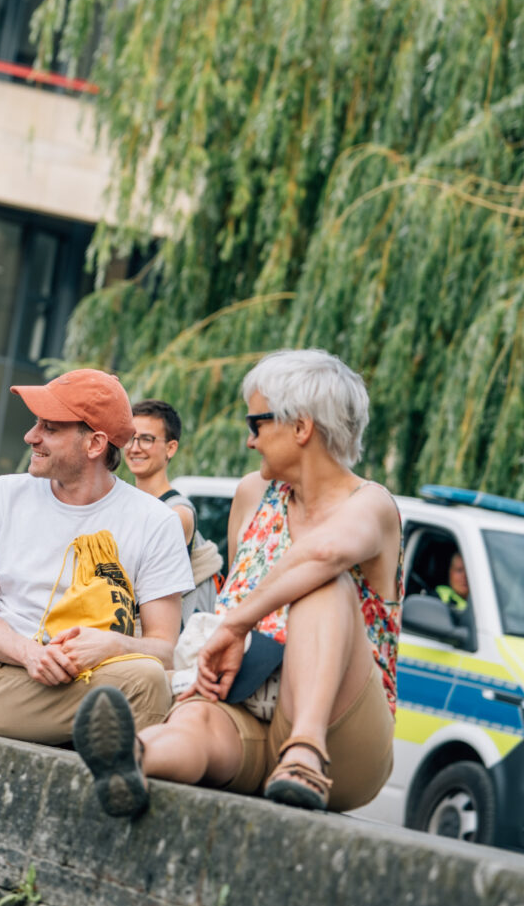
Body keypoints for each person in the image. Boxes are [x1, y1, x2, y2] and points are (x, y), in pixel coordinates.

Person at [72, 349, 403, 818]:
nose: (250, 442)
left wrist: (234, 626)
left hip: (340, 735)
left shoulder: (372, 505)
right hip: (250, 712)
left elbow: (322, 554)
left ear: (301, 427)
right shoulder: (252, 494)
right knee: (196, 720)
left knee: (323, 584)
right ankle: (134, 759)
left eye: (256, 425)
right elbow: (234, 594)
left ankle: (304, 753)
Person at [0, 368, 194, 747]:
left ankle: (107, 752)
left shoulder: (156, 521)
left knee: (159, 681)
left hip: (106, 677)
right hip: (4, 678)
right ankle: (115, 751)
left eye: (49, 428)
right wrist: (30, 654)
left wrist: (114, 645)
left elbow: (166, 648)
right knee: (149, 689)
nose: (31, 436)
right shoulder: (4, 495)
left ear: (95, 444)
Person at [126, 399, 223, 621]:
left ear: (171, 448)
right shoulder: (127, 505)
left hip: (164, 632)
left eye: (146, 439)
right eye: (130, 438)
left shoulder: (177, 513)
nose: (134, 448)